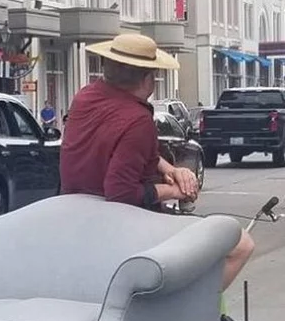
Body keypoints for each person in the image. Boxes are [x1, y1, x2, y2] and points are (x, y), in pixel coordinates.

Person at [60, 32, 253, 290]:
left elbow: (123, 149)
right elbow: (121, 193)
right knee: (241, 245)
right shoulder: (137, 120)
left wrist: (172, 169)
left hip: (74, 213)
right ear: (147, 79)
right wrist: (174, 190)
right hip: (119, 225)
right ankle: (191, 309)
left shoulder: (86, 97)